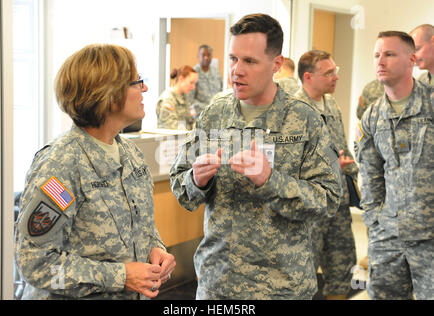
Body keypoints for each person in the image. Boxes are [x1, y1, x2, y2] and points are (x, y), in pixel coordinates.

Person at [169, 13, 342, 300]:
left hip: (282, 287)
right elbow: (181, 186)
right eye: (233, 58)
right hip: (218, 284)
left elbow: (329, 200)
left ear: (276, 64)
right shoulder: (214, 115)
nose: (236, 70)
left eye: (249, 61)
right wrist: (196, 181)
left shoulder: (305, 120)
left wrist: (270, 181)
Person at [14, 44, 176, 300]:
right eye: (136, 82)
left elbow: (141, 225)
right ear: (108, 96)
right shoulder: (61, 165)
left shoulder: (131, 156)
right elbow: (37, 265)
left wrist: (156, 249)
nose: (144, 88)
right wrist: (121, 276)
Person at [356, 31, 433, 300]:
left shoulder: (431, 103)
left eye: (389, 54)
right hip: (387, 237)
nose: (380, 61)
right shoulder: (372, 116)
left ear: (411, 59)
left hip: (430, 236)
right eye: (377, 55)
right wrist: (374, 220)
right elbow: (369, 173)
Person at [295, 50, 358, 300]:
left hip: (338, 203)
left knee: (342, 265)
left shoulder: (331, 103)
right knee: (305, 271)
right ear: (308, 77)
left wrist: (350, 166)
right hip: (311, 206)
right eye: (329, 72)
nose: (335, 77)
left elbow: (341, 143)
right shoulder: (294, 109)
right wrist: (329, 166)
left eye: (336, 70)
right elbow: (289, 163)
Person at [156, 65, 198, 130]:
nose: (193, 87)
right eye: (191, 83)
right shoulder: (168, 99)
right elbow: (170, 126)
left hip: (186, 138)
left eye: (195, 83)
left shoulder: (186, 99)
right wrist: (191, 130)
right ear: (181, 79)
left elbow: (194, 119)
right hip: (170, 139)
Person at [188, 45, 223, 118]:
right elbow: (190, 100)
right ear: (198, 56)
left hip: (217, 113)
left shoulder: (216, 71)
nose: (206, 57)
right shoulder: (193, 73)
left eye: (208, 55)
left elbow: (221, 91)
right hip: (200, 115)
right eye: (203, 55)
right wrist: (207, 107)